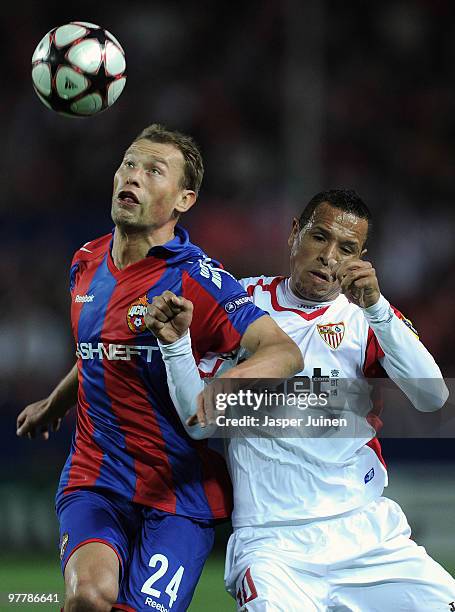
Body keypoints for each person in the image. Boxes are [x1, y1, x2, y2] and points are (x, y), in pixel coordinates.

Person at [16, 124, 302, 612]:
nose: (134, 177)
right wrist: (55, 403)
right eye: (129, 164)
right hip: (96, 477)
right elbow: (98, 349)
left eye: (154, 171)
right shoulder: (85, 262)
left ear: (183, 200)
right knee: (89, 595)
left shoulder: (197, 279)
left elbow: (283, 352)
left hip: (178, 497)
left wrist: (218, 396)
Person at [147, 189, 455, 611]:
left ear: (360, 258)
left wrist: (378, 308)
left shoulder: (367, 318)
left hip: (366, 533)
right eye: (319, 238)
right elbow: (198, 421)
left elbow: (432, 396)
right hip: (272, 543)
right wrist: (177, 345)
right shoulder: (241, 305)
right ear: (294, 234)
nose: (329, 256)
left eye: (346, 249)